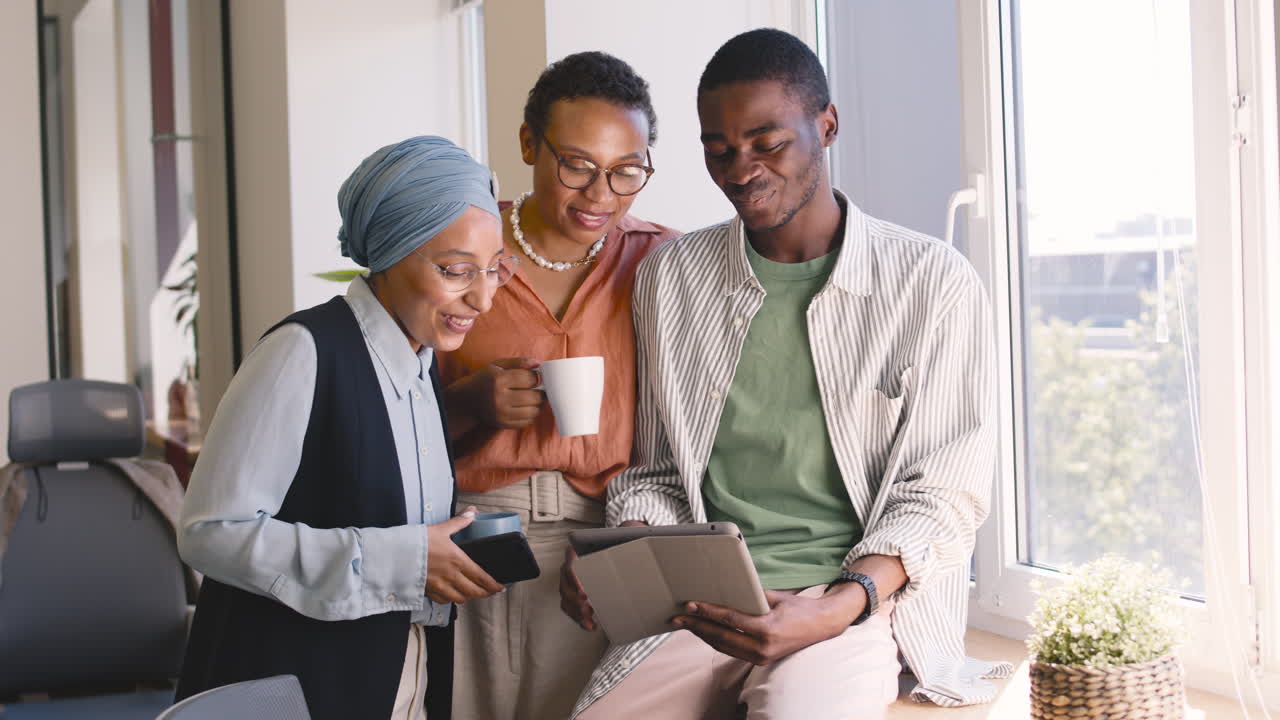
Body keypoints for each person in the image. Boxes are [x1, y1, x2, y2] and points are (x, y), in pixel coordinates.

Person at [560, 29, 1012, 720]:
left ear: (826, 125)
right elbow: (657, 473)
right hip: (700, 604)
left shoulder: (931, 283)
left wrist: (840, 604)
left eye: (767, 143)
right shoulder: (671, 279)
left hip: (852, 605)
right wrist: (623, 560)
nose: (741, 169)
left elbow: (945, 493)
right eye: (719, 149)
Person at [175, 136, 512, 720]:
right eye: (458, 271)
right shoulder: (302, 352)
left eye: (493, 269)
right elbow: (211, 532)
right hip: (298, 686)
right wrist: (403, 558)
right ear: (389, 252)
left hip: (402, 673)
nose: (482, 297)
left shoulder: (422, 363)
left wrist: (447, 552)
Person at [436, 52, 679, 720]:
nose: (601, 194)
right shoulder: (462, 253)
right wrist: (469, 403)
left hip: (608, 539)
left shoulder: (664, 262)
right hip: (474, 532)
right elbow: (393, 417)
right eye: (576, 165)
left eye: (627, 171)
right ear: (527, 144)